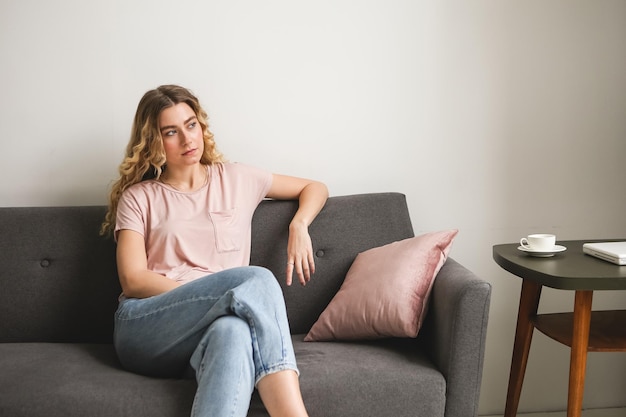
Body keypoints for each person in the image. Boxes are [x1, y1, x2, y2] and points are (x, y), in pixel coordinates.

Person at [100, 84, 328, 417]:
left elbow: (314, 187)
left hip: (211, 327)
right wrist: (208, 297)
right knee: (257, 280)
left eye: (191, 125)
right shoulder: (140, 197)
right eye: (171, 132)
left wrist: (299, 225)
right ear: (154, 141)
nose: (187, 139)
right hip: (148, 323)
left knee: (233, 331)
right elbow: (133, 279)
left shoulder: (236, 178)